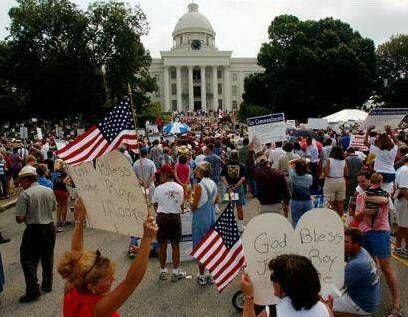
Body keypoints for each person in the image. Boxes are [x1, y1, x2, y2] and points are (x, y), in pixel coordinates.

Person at [58, 199, 158, 317]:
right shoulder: (98, 309)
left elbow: (76, 254)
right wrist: (146, 239)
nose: (114, 280)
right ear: (91, 285)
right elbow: (130, 282)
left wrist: (79, 218)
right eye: (108, 279)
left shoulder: (73, 284)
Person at [354, 173, 401, 317]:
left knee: (386, 268)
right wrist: (363, 212)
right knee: (370, 266)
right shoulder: (360, 196)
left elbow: (387, 203)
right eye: (359, 182)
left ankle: (397, 304)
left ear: (371, 181)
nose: (362, 184)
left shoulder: (383, 194)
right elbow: (356, 216)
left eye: (364, 181)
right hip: (364, 233)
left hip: (380, 232)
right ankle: (370, 297)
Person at [240, 254, 333, 317]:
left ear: (284, 286)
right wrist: (326, 308)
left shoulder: (272, 313)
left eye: (274, 277)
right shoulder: (326, 311)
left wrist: (249, 296)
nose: (272, 280)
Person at [15, 165, 57, 302]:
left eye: (21, 180)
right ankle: (47, 284)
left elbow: (20, 219)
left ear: (27, 179)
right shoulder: (48, 190)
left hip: (34, 228)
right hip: (49, 227)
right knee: (47, 256)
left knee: (28, 260)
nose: (20, 183)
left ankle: (33, 290)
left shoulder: (25, 194)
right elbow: (53, 208)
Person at [332, 228, 381, 316]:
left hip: (363, 305)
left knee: (325, 305)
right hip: (372, 298)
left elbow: (338, 285)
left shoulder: (357, 264)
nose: (342, 244)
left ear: (356, 244)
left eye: (346, 242)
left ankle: (358, 314)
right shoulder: (363, 251)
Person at [152, 165, 186, 282]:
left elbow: (155, 205)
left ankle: (163, 271)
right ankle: (176, 271)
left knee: (162, 245)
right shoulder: (180, 187)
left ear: (167, 175)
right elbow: (181, 205)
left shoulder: (158, 189)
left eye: (161, 174)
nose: (160, 176)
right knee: (175, 245)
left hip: (162, 217)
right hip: (175, 217)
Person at [190, 162, 218, 285]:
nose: (195, 173)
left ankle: (202, 275)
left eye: (197, 171)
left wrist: (188, 199)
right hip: (211, 214)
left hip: (201, 217)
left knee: (200, 246)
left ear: (201, 173)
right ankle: (211, 274)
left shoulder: (199, 186)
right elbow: (217, 199)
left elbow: (194, 206)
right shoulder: (213, 183)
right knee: (211, 245)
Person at [248, 147, 291, 216]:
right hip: (277, 205)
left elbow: (251, 167)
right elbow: (286, 193)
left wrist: (250, 153)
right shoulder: (279, 174)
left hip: (264, 205)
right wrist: (286, 205)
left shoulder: (258, 174)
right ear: (268, 161)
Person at [365, 126, 398, 194]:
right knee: (388, 192)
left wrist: (368, 132)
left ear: (379, 142)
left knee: (378, 193)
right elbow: (397, 143)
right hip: (392, 173)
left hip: (380, 173)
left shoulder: (377, 150)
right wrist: (390, 133)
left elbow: (365, 142)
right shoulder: (394, 150)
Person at [221, 150, 247, 231]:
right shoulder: (241, 165)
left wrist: (228, 186)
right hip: (238, 189)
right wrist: (236, 186)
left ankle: (229, 225)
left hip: (229, 189)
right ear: (237, 156)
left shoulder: (225, 165)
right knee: (239, 206)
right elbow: (243, 178)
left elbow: (222, 177)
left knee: (230, 207)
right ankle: (240, 225)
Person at [323, 146, 347, 216]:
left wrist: (322, 175)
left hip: (331, 181)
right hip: (341, 181)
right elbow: (346, 173)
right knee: (340, 203)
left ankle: (331, 219)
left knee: (330, 203)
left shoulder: (329, 160)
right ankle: (340, 219)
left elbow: (326, 173)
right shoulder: (344, 161)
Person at [289, 159, 313, 227]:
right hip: (307, 201)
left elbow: (290, 166)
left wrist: (294, 164)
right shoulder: (310, 177)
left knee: (296, 221)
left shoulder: (293, 176)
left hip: (296, 201)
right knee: (307, 221)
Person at [394, 156, 408, 258]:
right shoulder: (405, 170)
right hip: (404, 201)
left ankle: (405, 248)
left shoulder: (403, 169)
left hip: (404, 201)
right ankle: (398, 247)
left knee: (405, 226)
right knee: (402, 226)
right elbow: (404, 189)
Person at [51, 159, 69, 232]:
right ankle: (64, 220)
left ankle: (58, 221)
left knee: (59, 206)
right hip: (62, 190)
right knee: (64, 205)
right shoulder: (63, 173)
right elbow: (66, 182)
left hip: (55, 190)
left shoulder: (52, 173)